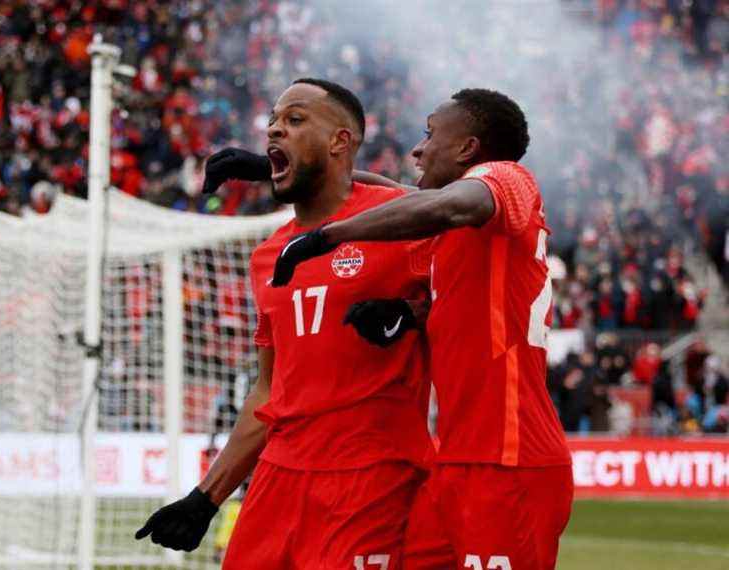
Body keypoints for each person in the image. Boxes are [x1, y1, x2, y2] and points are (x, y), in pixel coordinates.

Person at [214, 88, 573, 569]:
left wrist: (327, 235)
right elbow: (397, 195)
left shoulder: (503, 178)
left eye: (429, 134)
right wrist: (277, 168)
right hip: (454, 460)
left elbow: (445, 204)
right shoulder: (456, 232)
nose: (417, 149)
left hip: (510, 457)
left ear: (467, 148)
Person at [135, 78, 434, 569]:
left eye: (294, 120)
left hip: (370, 473)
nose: (274, 130)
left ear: (342, 140)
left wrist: (413, 315)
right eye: (272, 121)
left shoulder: (404, 221)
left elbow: (470, 273)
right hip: (279, 476)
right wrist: (206, 497)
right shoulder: (268, 255)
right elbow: (269, 390)